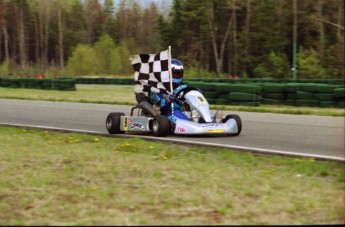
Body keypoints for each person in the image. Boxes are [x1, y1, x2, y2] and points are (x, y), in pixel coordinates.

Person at [148, 59, 190, 123]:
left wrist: (195, 93)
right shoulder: (157, 89)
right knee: (180, 116)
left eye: (178, 74)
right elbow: (161, 105)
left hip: (184, 112)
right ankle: (189, 123)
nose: (176, 76)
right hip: (166, 114)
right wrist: (168, 101)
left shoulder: (183, 87)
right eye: (174, 74)